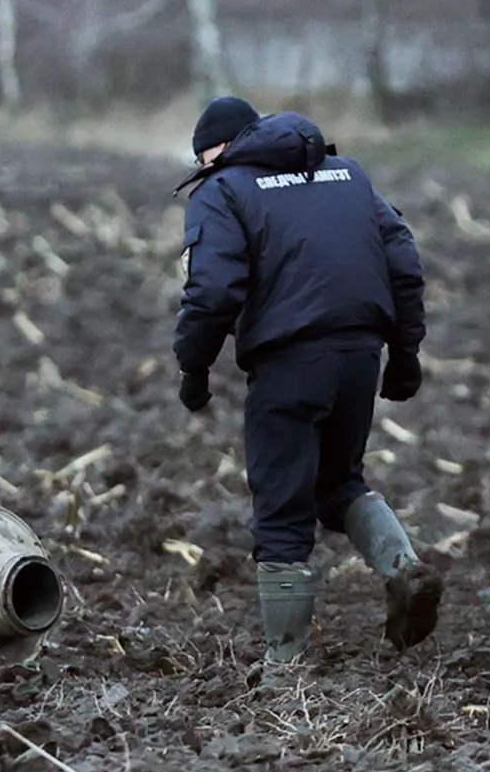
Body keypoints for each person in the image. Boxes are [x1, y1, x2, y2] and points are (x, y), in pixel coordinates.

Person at [172, 95, 441, 664]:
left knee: (280, 508)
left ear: (221, 149)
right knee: (338, 481)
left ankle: (284, 667)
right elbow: (404, 262)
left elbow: (213, 290)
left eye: (204, 157)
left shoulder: (223, 191)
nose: (202, 168)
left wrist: (194, 365)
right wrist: (405, 351)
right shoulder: (347, 175)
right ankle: (403, 566)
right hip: (360, 353)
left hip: (290, 360)